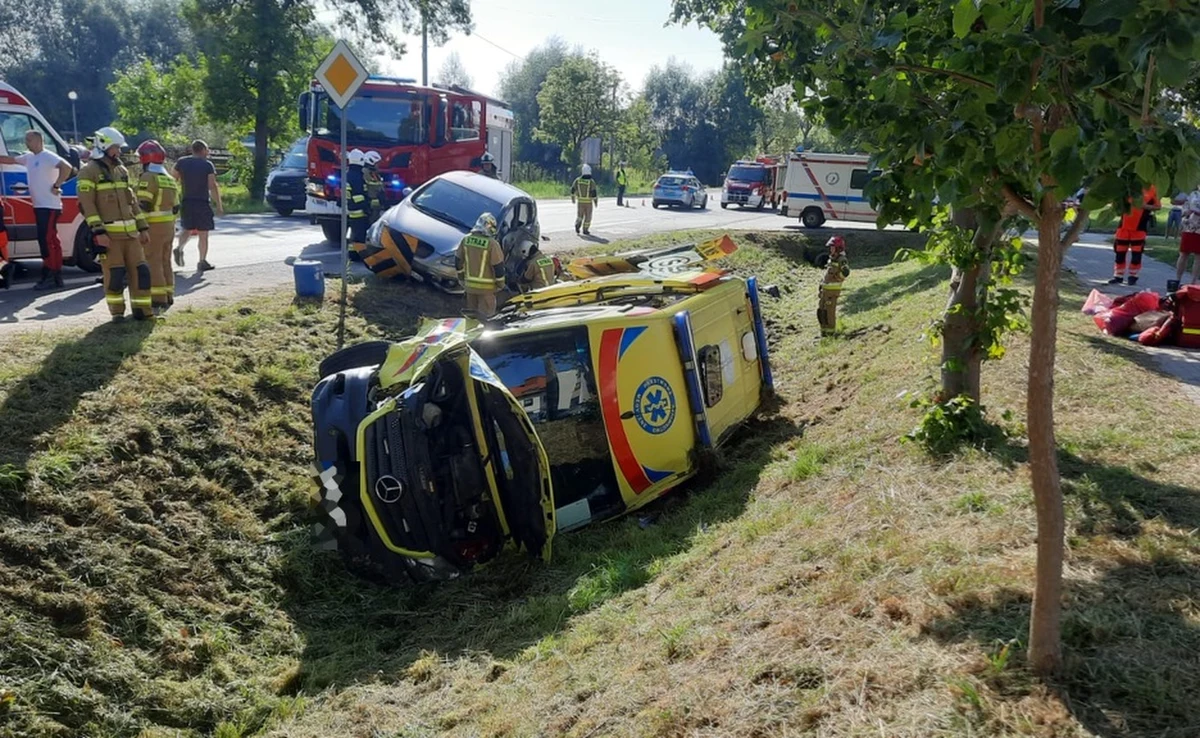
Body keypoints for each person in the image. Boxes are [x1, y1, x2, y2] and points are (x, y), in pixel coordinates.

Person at [78, 127, 153, 322]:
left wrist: (143, 227)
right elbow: (87, 205)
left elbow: (132, 201)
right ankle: (117, 314)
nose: (119, 152)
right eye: (116, 148)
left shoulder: (121, 170)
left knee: (141, 272)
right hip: (109, 237)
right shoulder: (88, 171)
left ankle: (143, 312)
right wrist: (98, 232)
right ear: (103, 146)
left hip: (132, 235)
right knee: (115, 275)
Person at [0, 130, 76, 290]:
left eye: (29, 139)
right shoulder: (29, 157)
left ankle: (52, 275)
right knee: (48, 240)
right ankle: (54, 275)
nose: (26, 142)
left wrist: (57, 185)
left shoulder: (47, 156)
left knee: (47, 241)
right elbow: (10, 159)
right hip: (40, 206)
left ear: (38, 140)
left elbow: (67, 167)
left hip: (50, 206)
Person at [135, 140, 179, 313]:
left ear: (145, 159)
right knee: (165, 260)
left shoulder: (148, 177)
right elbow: (176, 207)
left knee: (152, 261)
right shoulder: (168, 178)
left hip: (153, 226)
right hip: (169, 226)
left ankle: (158, 299)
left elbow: (143, 204)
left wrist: (140, 227)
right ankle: (168, 294)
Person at [172, 139, 223, 271]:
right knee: (203, 233)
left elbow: (173, 179)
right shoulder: (207, 165)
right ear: (203, 150)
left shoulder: (181, 162)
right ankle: (202, 261)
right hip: (202, 202)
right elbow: (212, 186)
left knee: (187, 228)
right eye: (207, 150)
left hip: (187, 201)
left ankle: (179, 248)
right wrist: (219, 205)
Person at [455, 213, 505, 318]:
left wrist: (461, 279)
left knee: (471, 318)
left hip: (470, 289)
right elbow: (498, 267)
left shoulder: (466, 240)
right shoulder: (492, 244)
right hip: (487, 290)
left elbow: (458, 260)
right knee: (486, 319)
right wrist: (501, 284)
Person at [1110, 184, 1160, 286]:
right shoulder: (1129, 184)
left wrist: (1144, 206)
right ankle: (1118, 276)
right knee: (1119, 252)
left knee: (1136, 254)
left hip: (1139, 227)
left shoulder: (1153, 188)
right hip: (1123, 227)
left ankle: (1133, 276)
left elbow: (1158, 206)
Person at [818, 235, 850, 336]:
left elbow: (844, 274)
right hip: (825, 291)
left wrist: (838, 277)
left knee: (829, 314)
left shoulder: (841, 260)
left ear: (838, 248)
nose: (830, 249)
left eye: (832, 247)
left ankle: (830, 334)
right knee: (821, 312)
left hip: (832, 293)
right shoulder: (831, 259)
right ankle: (823, 332)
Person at [1174, 185, 1200, 288]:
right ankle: (1177, 279)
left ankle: (1193, 282)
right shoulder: (1191, 194)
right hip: (1189, 226)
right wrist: (1186, 212)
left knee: (1198, 256)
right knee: (1184, 253)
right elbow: (1182, 207)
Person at [345, 149, 370, 258]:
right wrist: (366, 206)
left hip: (352, 208)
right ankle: (358, 255)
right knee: (360, 234)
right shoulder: (357, 176)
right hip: (358, 209)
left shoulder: (348, 174)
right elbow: (358, 194)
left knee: (355, 233)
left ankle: (353, 252)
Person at [571, 164, 598, 235]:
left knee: (580, 216)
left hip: (580, 202)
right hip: (588, 202)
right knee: (588, 217)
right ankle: (585, 230)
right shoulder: (591, 181)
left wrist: (573, 199)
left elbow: (572, 190)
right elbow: (594, 193)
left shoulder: (577, 180)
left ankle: (577, 224)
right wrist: (595, 202)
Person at [362, 150, 385, 217]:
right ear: (371, 161)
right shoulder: (365, 172)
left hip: (376, 205)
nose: (378, 165)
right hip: (370, 205)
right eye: (377, 163)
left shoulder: (374, 173)